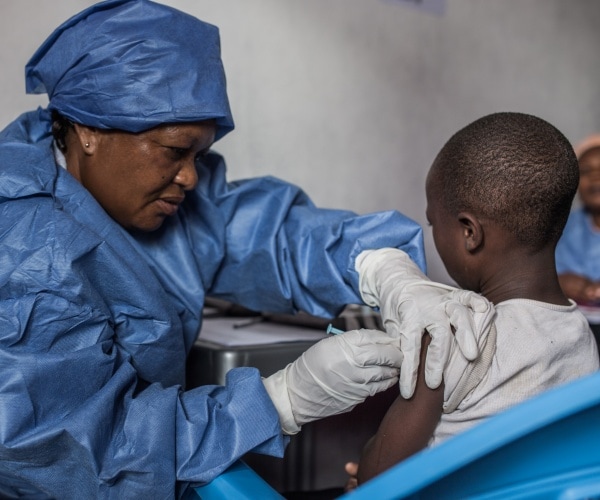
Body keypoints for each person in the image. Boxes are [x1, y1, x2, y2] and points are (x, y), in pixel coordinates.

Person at [0, 1, 489, 497]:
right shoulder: (23, 249)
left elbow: (265, 233)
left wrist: (382, 266)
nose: (190, 177)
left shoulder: (152, 196)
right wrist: (280, 402)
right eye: (174, 152)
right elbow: (81, 459)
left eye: (200, 155)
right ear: (88, 131)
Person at [351, 112, 600, 485]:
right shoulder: (580, 335)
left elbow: (379, 473)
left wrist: (361, 473)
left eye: (434, 223)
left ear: (469, 232)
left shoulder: (452, 333)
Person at [555, 134, 600, 351]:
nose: (595, 178)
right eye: (586, 172)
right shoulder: (566, 226)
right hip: (575, 326)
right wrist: (565, 282)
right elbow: (551, 271)